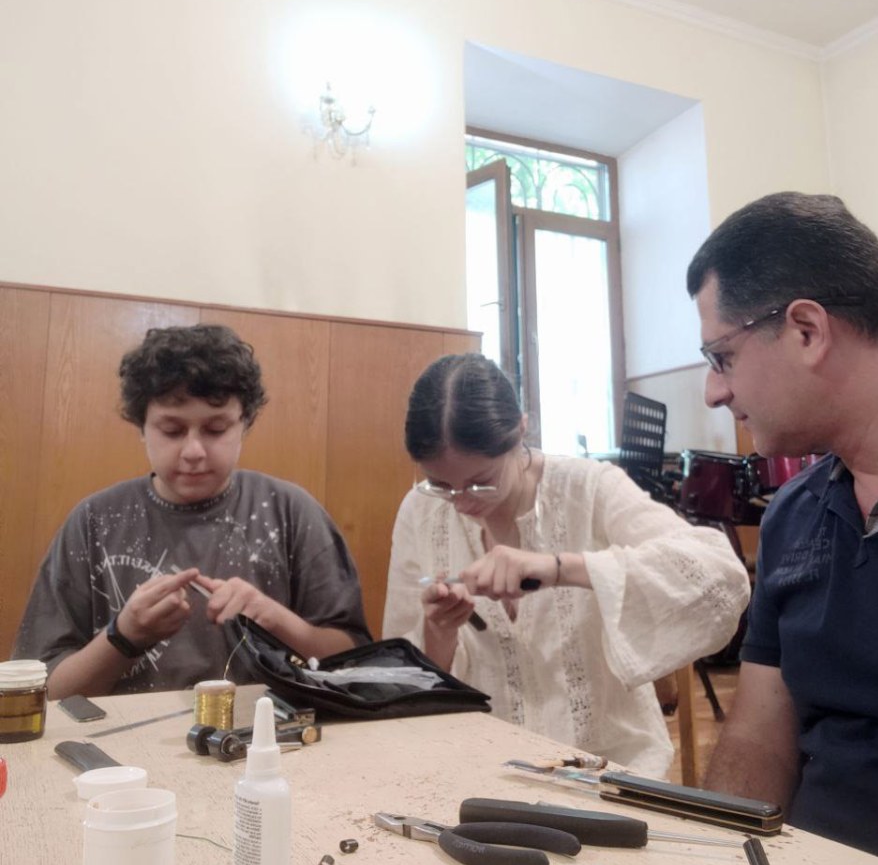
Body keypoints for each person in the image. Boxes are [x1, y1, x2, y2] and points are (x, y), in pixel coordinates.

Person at [382, 353, 749, 777]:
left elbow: (721, 575)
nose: (461, 502)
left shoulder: (588, 488)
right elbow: (404, 680)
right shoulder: (420, 511)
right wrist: (439, 632)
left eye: (481, 482)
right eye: (441, 485)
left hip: (610, 766)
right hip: (482, 767)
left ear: (521, 431)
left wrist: (558, 568)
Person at [688, 191, 878, 863]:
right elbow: (758, 739)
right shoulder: (792, 514)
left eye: (722, 356)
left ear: (807, 330)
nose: (714, 392)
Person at [14, 324, 371, 698]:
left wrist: (273, 618)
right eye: (171, 430)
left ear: (245, 425)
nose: (194, 451)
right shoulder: (93, 522)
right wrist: (123, 636)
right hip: (121, 736)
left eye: (216, 430)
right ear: (142, 427)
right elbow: (41, 692)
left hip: (270, 730)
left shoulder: (293, 512)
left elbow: (354, 661)